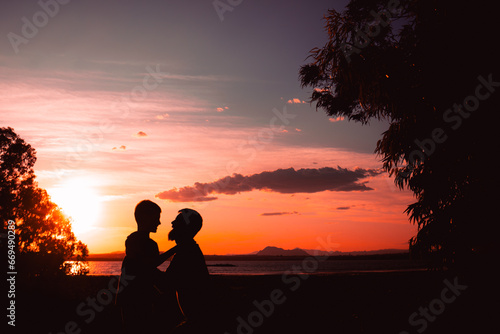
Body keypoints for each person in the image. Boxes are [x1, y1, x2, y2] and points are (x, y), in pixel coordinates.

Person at [118, 200, 177, 334]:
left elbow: (147, 267)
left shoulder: (131, 240)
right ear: (145, 217)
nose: (159, 223)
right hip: (138, 299)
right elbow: (150, 266)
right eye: (156, 218)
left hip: (128, 298)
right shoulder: (148, 244)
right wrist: (175, 250)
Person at [165, 208, 210, 332]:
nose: (172, 223)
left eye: (177, 221)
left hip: (196, 321)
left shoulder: (187, 252)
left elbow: (166, 282)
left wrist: (143, 269)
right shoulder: (187, 249)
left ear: (186, 226)